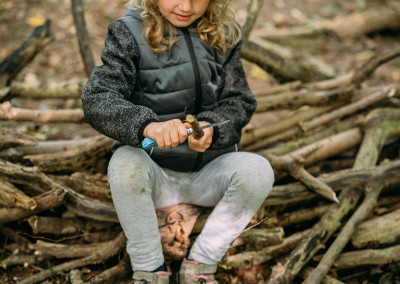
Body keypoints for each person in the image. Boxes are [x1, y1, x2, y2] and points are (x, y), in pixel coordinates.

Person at [81, 0, 274, 283]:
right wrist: (146, 126)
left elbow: (240, 101)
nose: (186, 5)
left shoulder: (224, 33)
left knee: (259, 171)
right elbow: (97, 98)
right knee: (124, 164)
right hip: (154, 173)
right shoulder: (128, 33)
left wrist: (212, 129)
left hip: (210, 176)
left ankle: (201, 264)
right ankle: (149, 270)